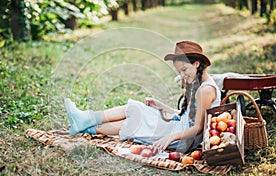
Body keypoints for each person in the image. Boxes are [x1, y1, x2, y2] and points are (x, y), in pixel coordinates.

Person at [64, 41, 221, 154]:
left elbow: (197, 128)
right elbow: (186, 116)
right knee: (136, 109)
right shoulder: (196, 82)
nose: (182, 75)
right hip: (180, 127)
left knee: (135, 119)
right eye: (179, 71)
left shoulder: (205, 90)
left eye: (184, 69)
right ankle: (85, 121)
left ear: (196, 64)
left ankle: (84, 122)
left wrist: (171, 137)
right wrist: (162, 107)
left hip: (183, 138)